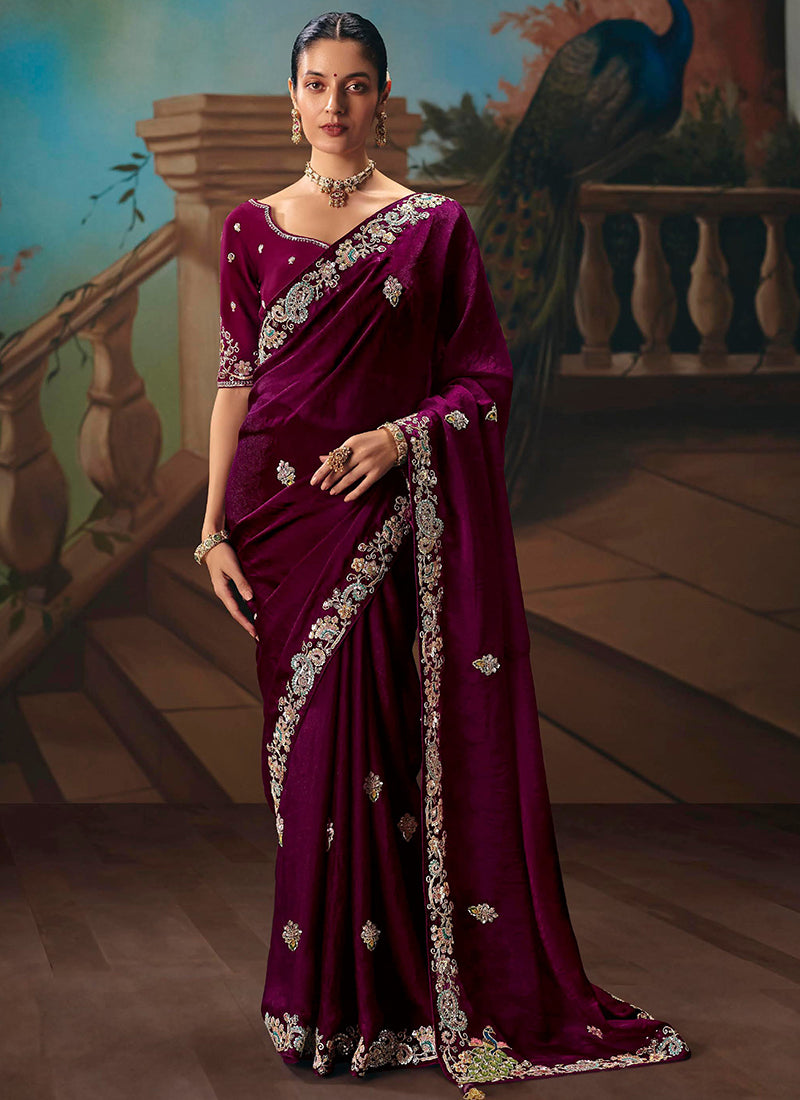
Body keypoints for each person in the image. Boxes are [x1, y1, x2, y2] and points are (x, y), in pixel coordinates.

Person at [196, 11, 691, 1099]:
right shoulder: (248, 230)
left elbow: (482, 380)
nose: (334, 104)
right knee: (306, 762)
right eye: (316, 83)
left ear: (383, 99)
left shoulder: (433, 228)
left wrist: (399, 438)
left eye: (354, 84)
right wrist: (212, 526)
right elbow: (235, 380)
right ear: (291, 98)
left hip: (378, 519)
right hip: (276, 526)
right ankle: (316, 998)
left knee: (366, 745)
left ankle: (375, 1005)